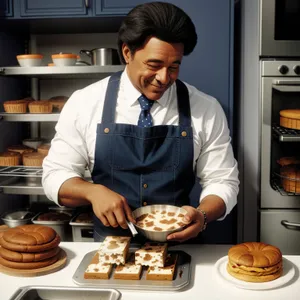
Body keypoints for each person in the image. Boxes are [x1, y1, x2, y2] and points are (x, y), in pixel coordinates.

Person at [42, 1, 239, 243]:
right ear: (127, 53)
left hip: (180, 247)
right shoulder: (85, 102)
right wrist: (92, 192)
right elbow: (54, 176)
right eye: (154, 65)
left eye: (174, 67)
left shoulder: (206, 108)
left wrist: (203, 215)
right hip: (111, 248)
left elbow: (222, 181)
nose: (164, 78)